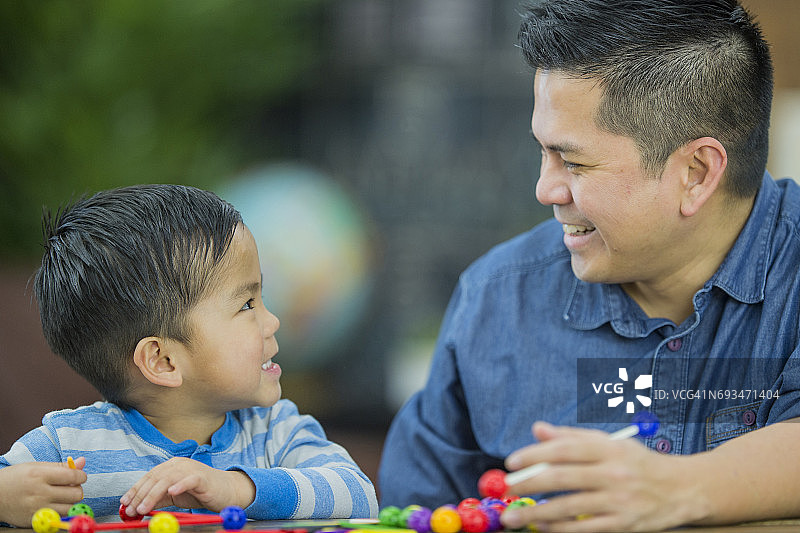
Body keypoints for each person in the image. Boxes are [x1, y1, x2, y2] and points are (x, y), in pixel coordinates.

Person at [379, 0, 800, 531]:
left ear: (696, 171)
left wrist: (677, 490)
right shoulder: (498, 298)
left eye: (573, 162)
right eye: (544, 153)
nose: (545, 189)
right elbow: (412, 512)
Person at [0, 184, 378, 528]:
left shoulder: (274, 432)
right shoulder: (70, 448)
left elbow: (358, 495)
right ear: (163, 361)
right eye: (247, 304)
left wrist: (236, 488)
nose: (273, 320)